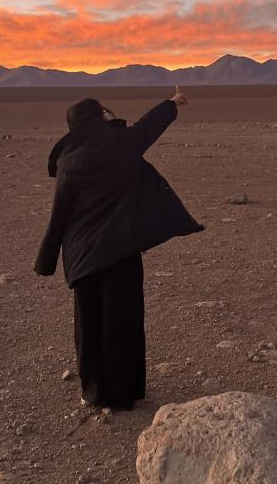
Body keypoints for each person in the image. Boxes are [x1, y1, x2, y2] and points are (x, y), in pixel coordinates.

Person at [34, 87, 203, 411]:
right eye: (105, 110)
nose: (111, 113)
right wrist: (171, 103)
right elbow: (149, 126)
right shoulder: (122, 142)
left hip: (83, 255)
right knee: (122, 321)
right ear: (99, 117)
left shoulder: (69, 157)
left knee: (89, 324)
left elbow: (60, 213)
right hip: (121, 251)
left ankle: (93, 392)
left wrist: (47, 257)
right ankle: (124, 392)